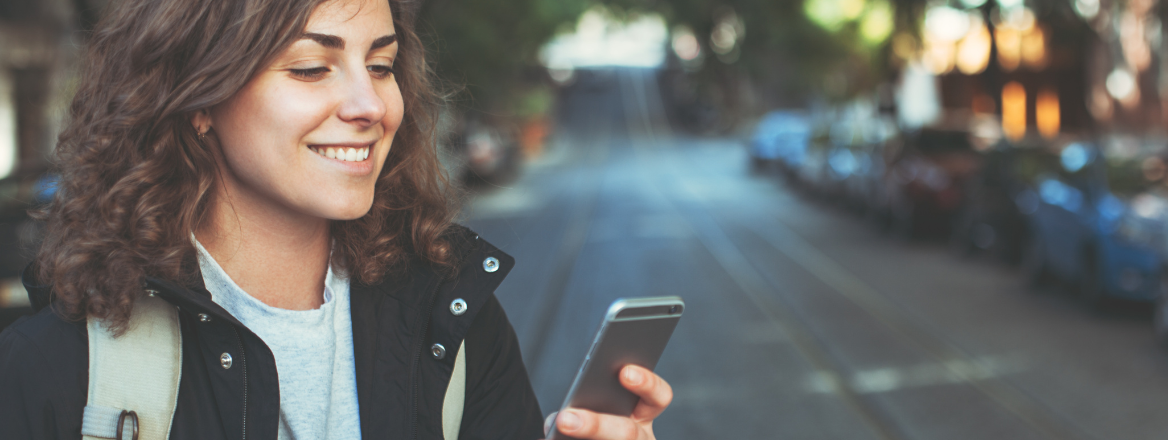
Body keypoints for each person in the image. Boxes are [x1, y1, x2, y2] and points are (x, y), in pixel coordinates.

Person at [0, 0, 672, 439]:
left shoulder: (456, 321)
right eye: (312, 67)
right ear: (198, 99)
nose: (369, 104)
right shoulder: (56, 372)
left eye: (380, 66)